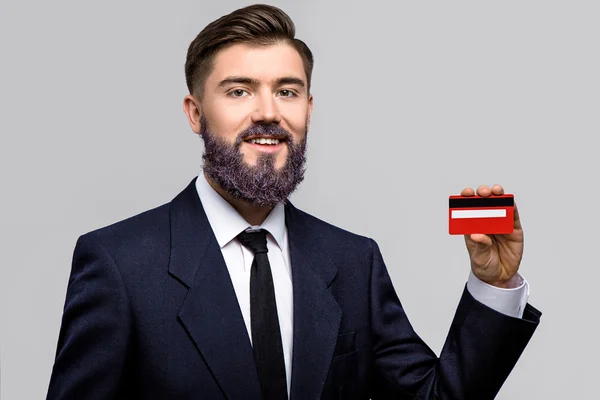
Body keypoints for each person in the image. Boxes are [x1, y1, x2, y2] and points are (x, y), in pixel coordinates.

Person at [46, 4, 541, 399]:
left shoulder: (352, 262)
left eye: (287, 91)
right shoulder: (118, 263)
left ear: (308, 108)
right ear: (196, 114)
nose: (268, 112)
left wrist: (493, 285)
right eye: (238, 91)